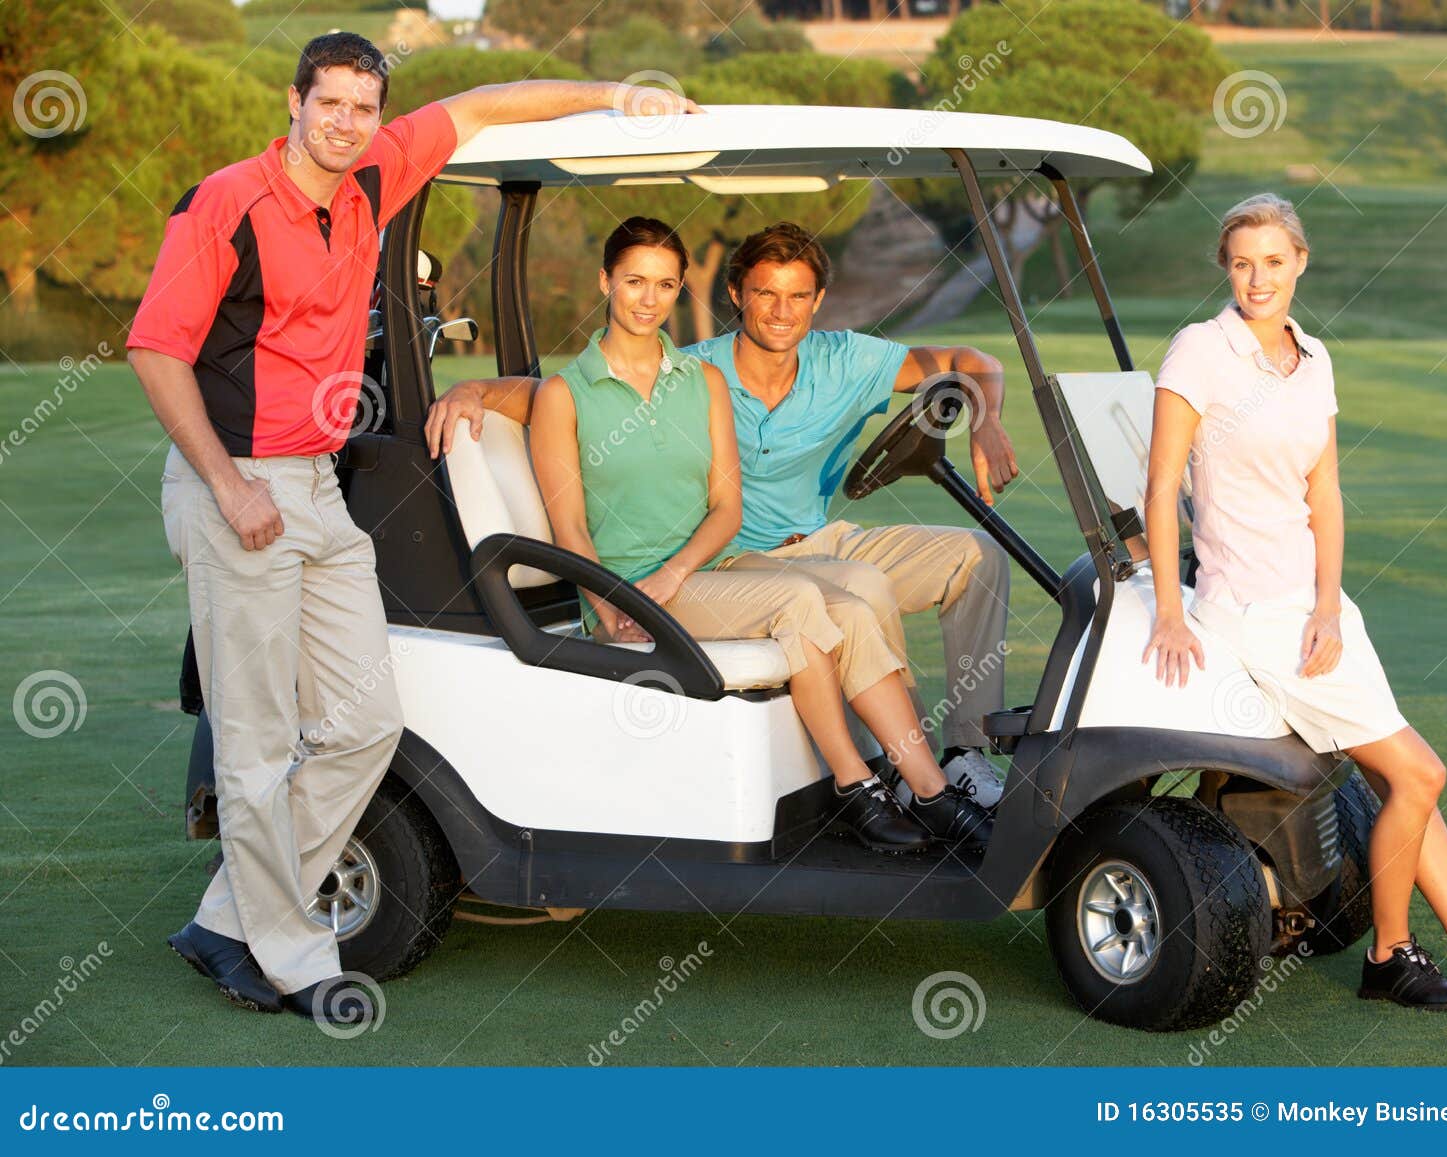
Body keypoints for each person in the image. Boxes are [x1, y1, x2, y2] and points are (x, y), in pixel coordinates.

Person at [127, 32, 699, 1026]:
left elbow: (484, 104)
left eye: (362, 106)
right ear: (295, 100)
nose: (345, 121)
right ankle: (295, 958)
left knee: (360, 724)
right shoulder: (228, 200)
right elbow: (154, 349)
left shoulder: (371, 180)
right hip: (240, 489)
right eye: (330, 103)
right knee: (257, 741)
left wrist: (619, 91)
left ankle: (231, 917)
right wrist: (227, 485)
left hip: (314, 488)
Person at [428, 222, 1018, 809]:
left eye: (796, 296)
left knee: (977, 555)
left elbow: (968, 358)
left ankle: (961, 757)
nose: (781, 312)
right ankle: (903, 774)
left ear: (818, 302)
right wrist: (473, 388)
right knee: (860, 588)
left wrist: (987, 418)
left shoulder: (848, 361)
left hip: (823, 539)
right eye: (765, 294)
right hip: (740, 558)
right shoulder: (696, 372)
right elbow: (565, 395)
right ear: (736, 295)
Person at [1142, 192, 1447, 1015]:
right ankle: (1389, 955)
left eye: (1273, 261)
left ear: (1300, 261)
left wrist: (1331, 606)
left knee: (1408, 778)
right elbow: (1161, 488)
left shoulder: (1315, 357)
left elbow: (1324, 491)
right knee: (1421, 770)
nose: (1257, 279)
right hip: (1253, 610)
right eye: (1240, 263)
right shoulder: (1200, 349)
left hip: (1317, 609)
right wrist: (1168, 607)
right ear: (1225, 269)